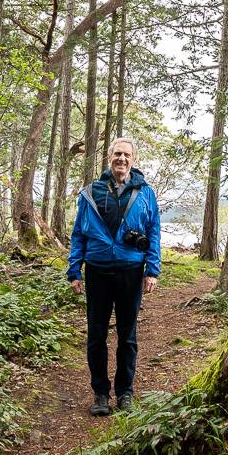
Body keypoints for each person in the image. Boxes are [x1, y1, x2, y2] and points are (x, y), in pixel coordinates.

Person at [66, 137, 161, 416]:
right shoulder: (90, 193)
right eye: (117, 154)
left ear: (134, 160)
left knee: (127, 335)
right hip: (97, 271)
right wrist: (74, 271)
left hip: (131, 272)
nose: (121, 159)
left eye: (126, 155)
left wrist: (152, 269)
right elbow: (78, 235)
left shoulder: (145, 192)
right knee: (96, 335)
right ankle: (100, 394)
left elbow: (154, 231)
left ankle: (125, 393)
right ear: (109, 157)